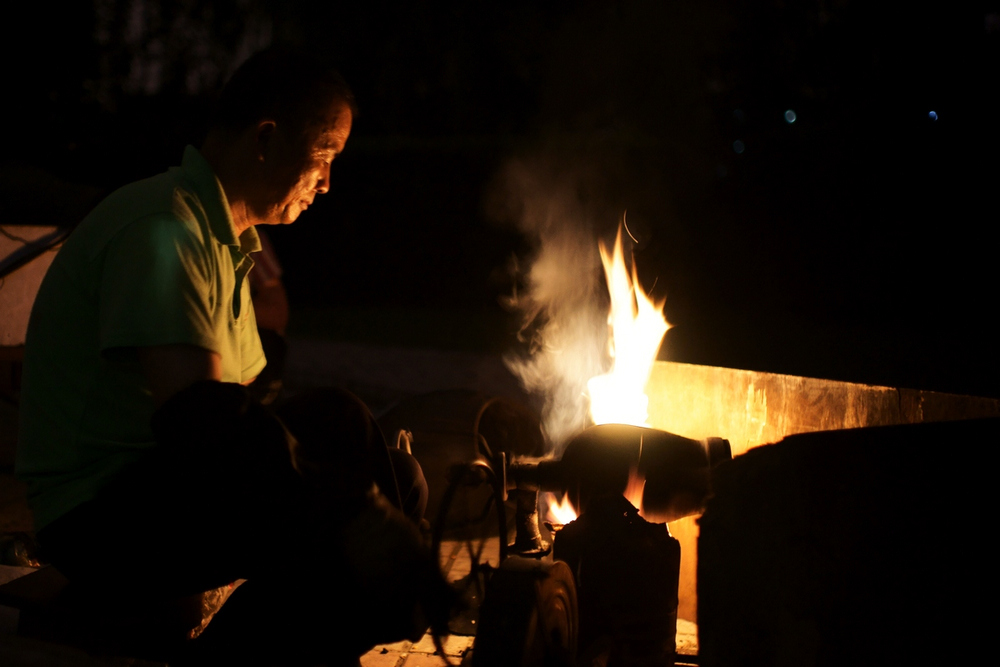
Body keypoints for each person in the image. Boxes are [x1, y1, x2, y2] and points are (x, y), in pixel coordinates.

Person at [16, 46, 446, 664]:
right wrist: (356, 505)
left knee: (394, 478)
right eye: (325, 156)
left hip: (159, 491)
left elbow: (241, 419)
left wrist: (371, 500)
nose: (328, 182)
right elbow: (200, 419)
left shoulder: (227, 242)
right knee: (342, 432)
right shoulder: (162, 229)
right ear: (267, 139)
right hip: (97, 520)